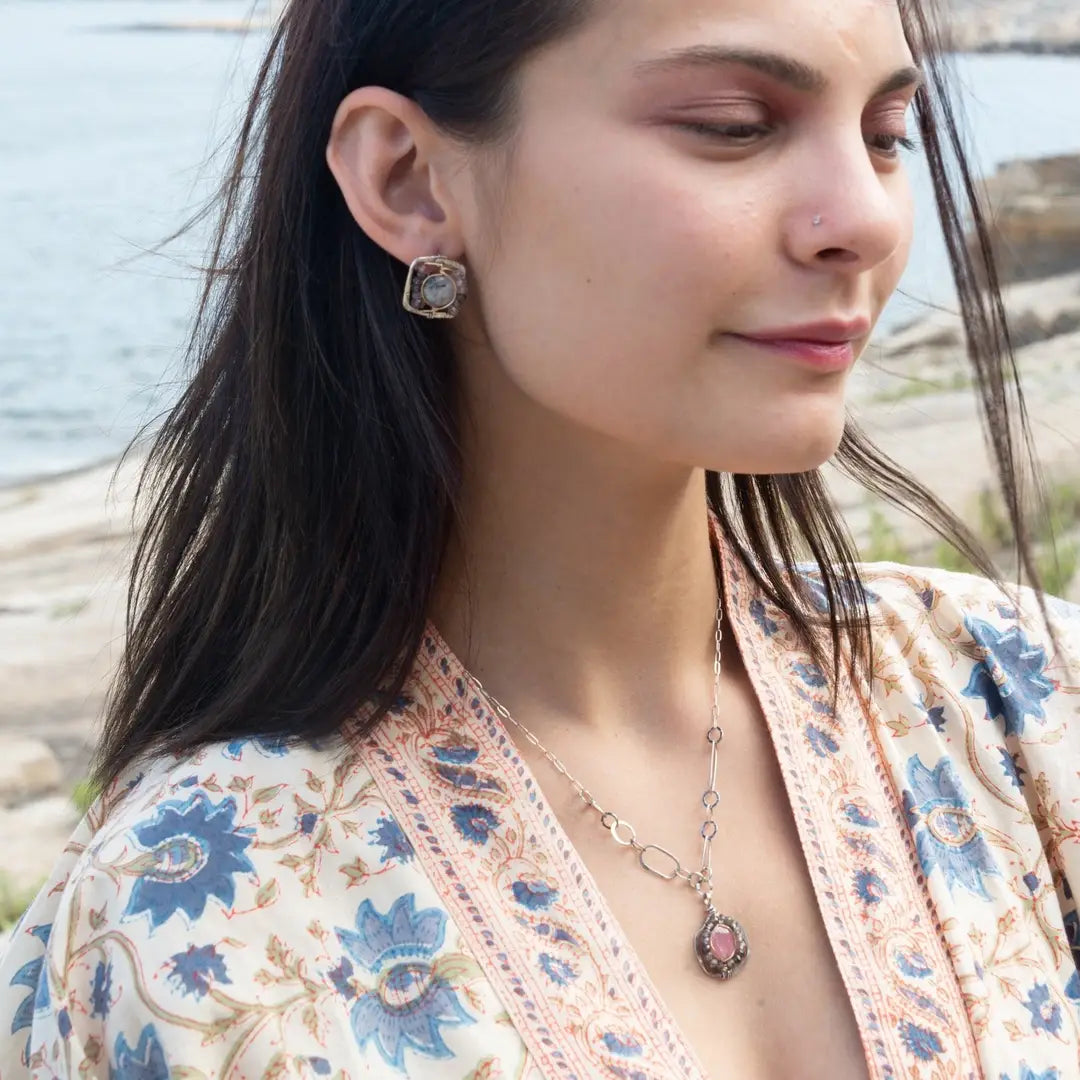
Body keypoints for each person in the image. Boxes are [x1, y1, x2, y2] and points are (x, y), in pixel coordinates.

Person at [3, 0, 1080, 1074]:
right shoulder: (186, 922)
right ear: (409, 181)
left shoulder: (1024, 701)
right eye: (731, 123)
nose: (871, 217)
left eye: (887, 137)